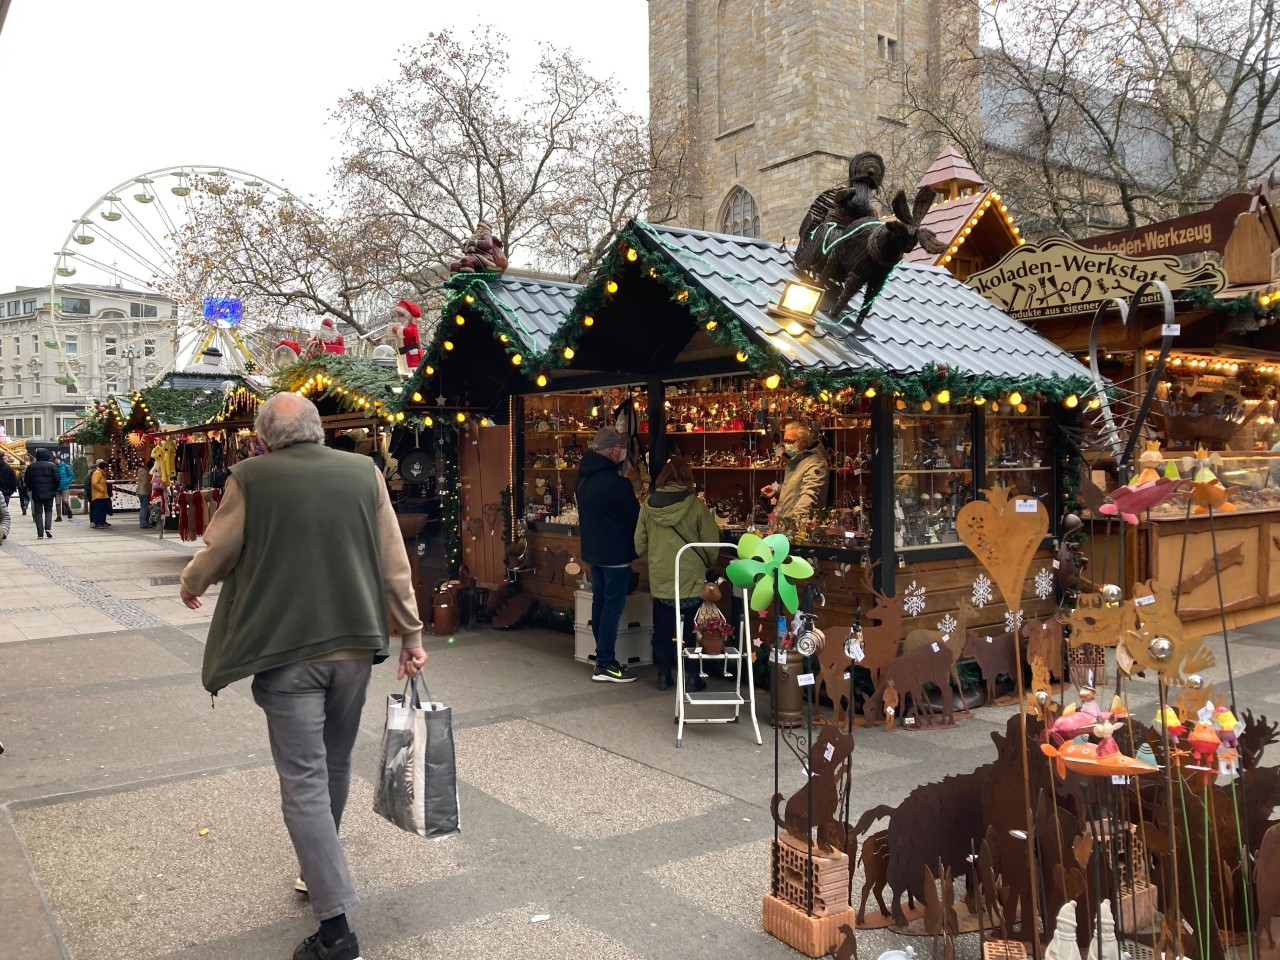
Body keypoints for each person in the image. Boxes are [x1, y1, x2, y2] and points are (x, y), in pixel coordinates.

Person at [178, 392, 426, 960]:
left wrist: (192, 583)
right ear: (319, 431)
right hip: (356, 649)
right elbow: (394, 562)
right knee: (334, 765)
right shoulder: (363, 471)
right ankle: (319, 866)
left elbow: (218, 549)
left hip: (288, 653)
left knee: (303, 782)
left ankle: (336, 928)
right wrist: (410, 636)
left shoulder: (251, 477)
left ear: (263, 438)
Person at [634, 457, 719, 690]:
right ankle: (692, 676)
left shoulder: (648, 505)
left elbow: (639, 544)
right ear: (687, 479)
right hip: (690, 578)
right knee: (691, 630)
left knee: (662, 628)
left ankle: (663, 674)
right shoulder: (696, 505)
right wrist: (706, 561)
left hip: (662, 577)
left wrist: (656, 555)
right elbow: (712, 545)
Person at [576, 425, 641, 683]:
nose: (622, 451)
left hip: (594, 552)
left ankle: (602, 658)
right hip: (616, 553)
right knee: (612, 607)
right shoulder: (618, 484)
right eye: (620, 447)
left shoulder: (582, 479)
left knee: (600, 603)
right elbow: (634, 519)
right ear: (613, 451)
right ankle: (605, 662)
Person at [761, 421, 830, 523]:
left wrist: (797, 521)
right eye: (785, 441)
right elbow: (791, 486)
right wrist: (776, 488)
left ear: (805, 441)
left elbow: (809, 494)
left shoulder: (816, 463)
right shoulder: (794, 461)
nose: (787, 445)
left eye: (791, 441)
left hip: (798, 528)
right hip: (785, 525)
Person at [24, 449, 59, 540]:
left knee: (38, 512)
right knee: (48, 511)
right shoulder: (52, 466)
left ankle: (40, 533)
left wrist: (32, 487)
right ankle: (48, 528)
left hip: (36, 492)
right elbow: (57, 479)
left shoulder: (31, 467)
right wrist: (54, 489)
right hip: (49, 492)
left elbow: (27, 480)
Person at [88, 459, 112, 528]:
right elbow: (94, 483)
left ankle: (101, 522)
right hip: (99, 495)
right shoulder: (98, 473)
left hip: (103, 495)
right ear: (104, 467)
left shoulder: (102, 473)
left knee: (102, 510)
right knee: (98, 509)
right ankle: (98, 522)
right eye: (106, 467)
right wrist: (101, 489)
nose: (107, 469)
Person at [55, 453, 74, 522]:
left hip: (64, 487)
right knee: (57, 503)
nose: (56, 461)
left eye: (57, 459)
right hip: (57, 488)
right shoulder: (54, 467)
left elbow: (71, 475)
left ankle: (69, 511)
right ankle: (59, 516)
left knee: (65, 501)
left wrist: (67, 481)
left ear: (60, 460)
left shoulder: (66, 466)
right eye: (55, 459)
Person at [136, 460, 153, 528]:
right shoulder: (146, 473)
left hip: (140, 491)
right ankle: (143, 523)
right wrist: (151, 490)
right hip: (144, 491)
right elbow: (146, 483)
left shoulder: (141, 470)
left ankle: (143, 522)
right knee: (144, 507)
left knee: (143, 507)